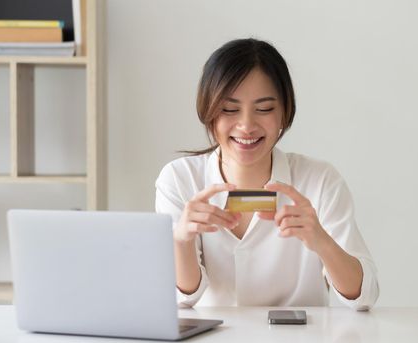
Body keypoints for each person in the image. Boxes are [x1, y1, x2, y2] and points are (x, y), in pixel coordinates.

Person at [155, 38, 379, 310]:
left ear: (285, 113)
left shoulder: (320, 179)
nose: (247, 125)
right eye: (229, 109)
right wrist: (181, 239)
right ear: (209, 111)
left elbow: (363, 297)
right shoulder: (179, 179)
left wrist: (320, 240)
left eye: (264, 109)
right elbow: (185, 298)